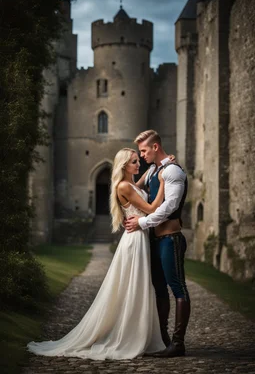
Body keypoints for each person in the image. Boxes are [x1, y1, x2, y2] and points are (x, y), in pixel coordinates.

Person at [27, 148, 167, 360]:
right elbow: (150, 208)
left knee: (138, 286)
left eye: (138, 161)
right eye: (134, 162)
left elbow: (138, 189)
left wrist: (157, 168)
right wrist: (165, 181)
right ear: (124, 166)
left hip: (139, 236)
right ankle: (129, 336)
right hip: (135, 240)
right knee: (133, 286)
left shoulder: (130, 185)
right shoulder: (123, 186)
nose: (139, 165)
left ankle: (138, 333)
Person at [125, 130, 191, 358]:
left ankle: (178, 343)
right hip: (155, 240)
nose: (141, 156)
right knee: (159, 289)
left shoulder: (172, 171)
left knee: (178, 287)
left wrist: (142, 222)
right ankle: (163, 339)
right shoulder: (155, 169)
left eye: (143, 150)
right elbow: (136, 189)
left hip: (170, 239)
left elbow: (169, 207)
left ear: (155, 147)